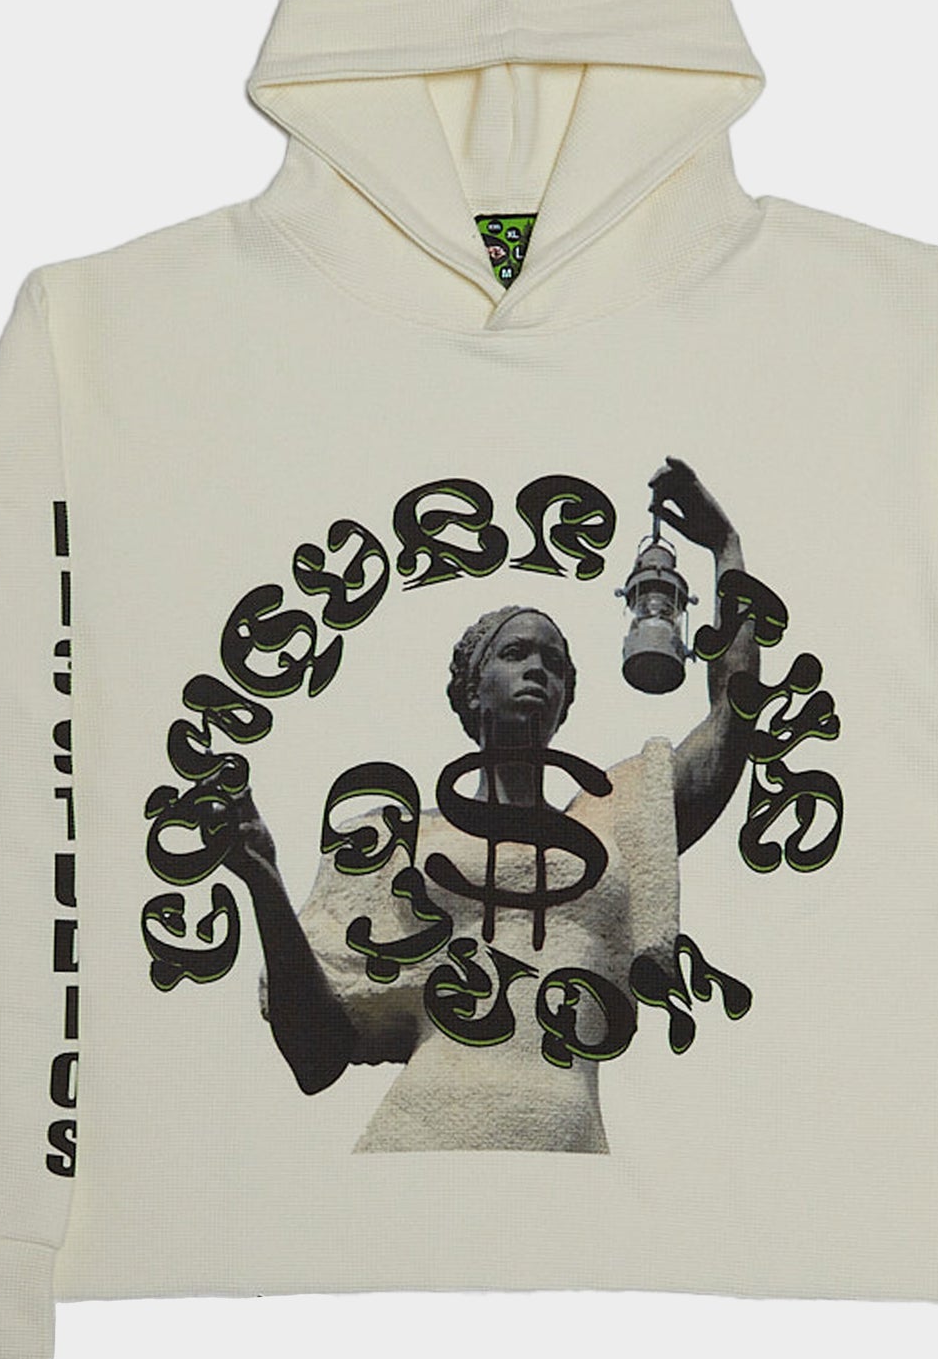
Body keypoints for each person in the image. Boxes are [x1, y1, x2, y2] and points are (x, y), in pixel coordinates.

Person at [225, 457, 757, 1152]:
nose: (538, 669)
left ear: (565, 700)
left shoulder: (613, 820)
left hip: (567, 1151)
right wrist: (262, 879)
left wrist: (726, 553)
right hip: (420, 1144)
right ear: (474, 688)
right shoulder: (400, 844)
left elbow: (731, 723)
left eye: (555, 664)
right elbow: (315, 1051)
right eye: (517, 654)